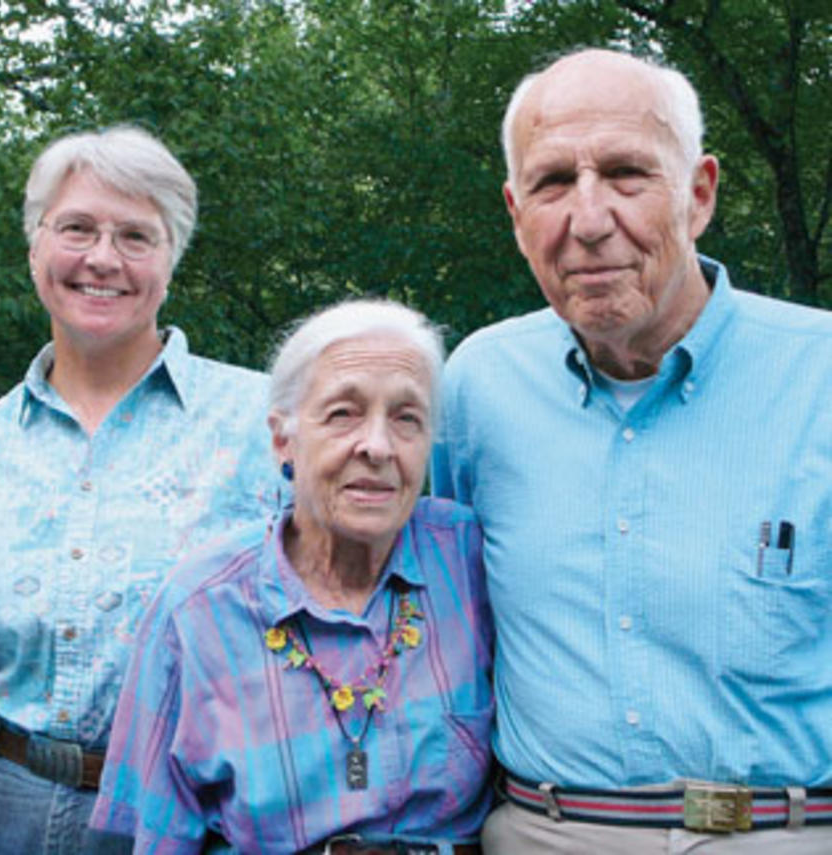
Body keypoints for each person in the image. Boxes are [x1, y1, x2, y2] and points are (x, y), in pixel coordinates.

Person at [432, 47, 832, 854]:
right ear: (516, 213)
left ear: (699, 193)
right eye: (552, 183)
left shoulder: (820, 374)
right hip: (541, 833)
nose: (587, 220)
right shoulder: (476, 385)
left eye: (626, 174)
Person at [0, 124, 279, 852]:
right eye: (77, 228)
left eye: (136, 237)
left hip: (191, 812)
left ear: (171, 258)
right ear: (34, 247)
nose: (102, 259)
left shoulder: (265, 426)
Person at [91, 299, 494, 854]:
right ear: (284, 439)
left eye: (407, 418)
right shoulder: (200, 608)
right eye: (343, 414)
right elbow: (151, 835)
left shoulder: (471, 562)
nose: (377, 446)